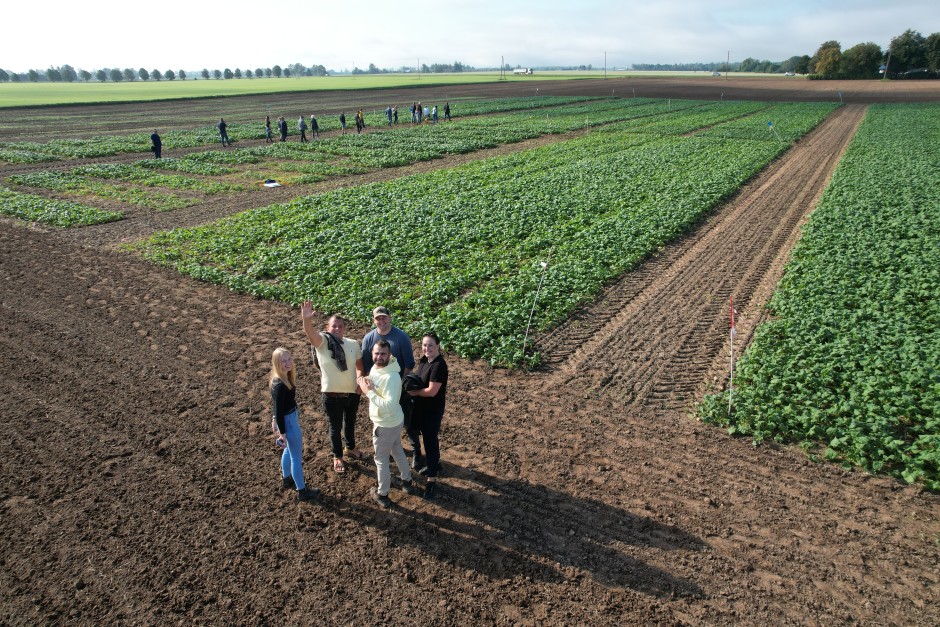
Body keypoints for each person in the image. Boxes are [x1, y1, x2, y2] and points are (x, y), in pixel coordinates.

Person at [301, 302, 365, 474]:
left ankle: (350, 447)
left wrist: (359, 384)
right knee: (335, 428)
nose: (337, 328)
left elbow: (360, 364)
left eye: (340, 326)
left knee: (350, 423)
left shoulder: (353, 344)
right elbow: (311, 334)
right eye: (333, 326)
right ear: (327, 328)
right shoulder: (323, 342)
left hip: (352, 393)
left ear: (344, 328)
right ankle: (337, 456)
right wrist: (306, 320)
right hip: (332, 395)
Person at [358, 340, 415, 508]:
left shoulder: (391, 377)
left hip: (385, 423)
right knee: (397, 449)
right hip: (394, 422)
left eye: (383, 354)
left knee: (381, 459)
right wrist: (367, 382)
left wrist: (368, 392)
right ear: (372, 353)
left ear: (389, 355)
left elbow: (389, 406)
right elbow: (375, 381)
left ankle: (382, 493)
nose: (379, 357)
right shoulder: (379, 368)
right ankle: (407, 480)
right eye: (376, 353)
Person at [270, 348, 319, 502]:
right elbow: (278, 409)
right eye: (283, 361)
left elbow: (276, 406)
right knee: (296, 457)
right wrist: (282, 434)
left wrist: (275, 420)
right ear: (277, 363)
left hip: (287, 419)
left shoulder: (280, 379)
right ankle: (302, 490)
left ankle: (286, 478)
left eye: (288, 359)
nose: (287, 363)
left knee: (288, 451)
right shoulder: (280, 385)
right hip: (289, 423)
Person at [406, 333, 448, 500]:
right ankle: (435, 464)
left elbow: (432, 391)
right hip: (421, 408)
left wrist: (413, 392)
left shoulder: (439, 365)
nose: (427, 348)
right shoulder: (424, 360)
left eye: (430, 345)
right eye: (424, 345)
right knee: (421, 435)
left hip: (432, 410)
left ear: (438, 346)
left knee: (430, 442)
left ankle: (431, 480)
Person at [361, 306, 414, 377]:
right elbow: (366, 365)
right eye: (378, 319)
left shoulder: (402, 337)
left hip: (396, 381)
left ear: (389, 317)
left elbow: (409, 364)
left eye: (384, 318)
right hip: (375, 382)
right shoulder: (368, 339)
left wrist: (401, 383)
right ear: (373, 320)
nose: (381, 321)